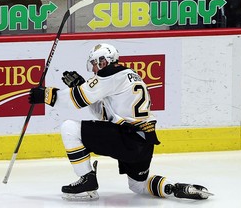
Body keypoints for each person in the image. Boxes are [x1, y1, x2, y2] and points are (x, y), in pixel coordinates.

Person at [29, 43, 212, 201]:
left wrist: (45, 95)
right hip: (143, 142)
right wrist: (82, 85)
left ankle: (87, 181)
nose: (93, 69)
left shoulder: (110, 73)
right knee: (138, 186)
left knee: (69, 128)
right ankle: (174, 188)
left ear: (104, 61)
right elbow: (103, 114)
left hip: (127, 137)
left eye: (95, 63)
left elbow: (77, 100)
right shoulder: (129, 75)